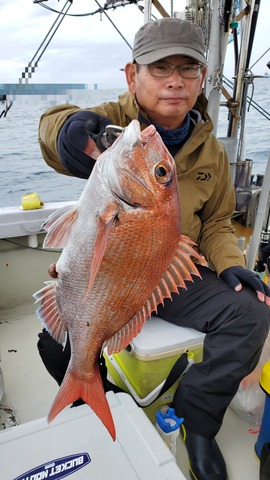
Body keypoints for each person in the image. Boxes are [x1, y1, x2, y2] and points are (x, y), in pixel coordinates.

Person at [37, 17, 270, 480]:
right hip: (109, 273)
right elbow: (52, 129)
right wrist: (66, 132)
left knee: (255, 312)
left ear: (202, 78)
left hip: (168, 273)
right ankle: (103, 396)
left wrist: (230, 264)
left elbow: (219, 223)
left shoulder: (213, 154)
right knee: (54, 341)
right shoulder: (113, 127)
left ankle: (197, 422)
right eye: (161, 68)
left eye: (188, 69)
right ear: (132, 75)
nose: (175, 81)